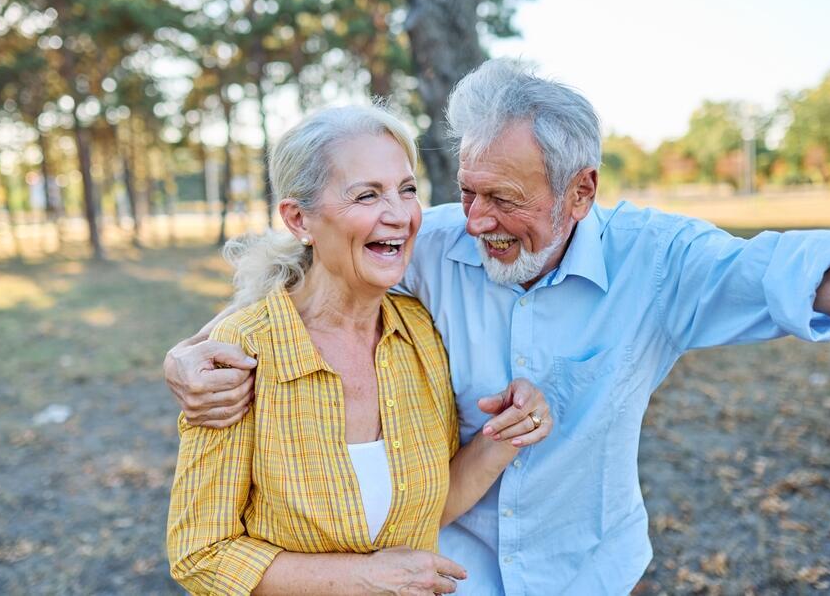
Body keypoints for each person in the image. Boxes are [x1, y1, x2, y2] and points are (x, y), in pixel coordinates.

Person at [166, 59, 830, 594]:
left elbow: (805, 271)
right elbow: (296, 293)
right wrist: (189, 355)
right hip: (455, 575)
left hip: (586, 571)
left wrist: (509, 434)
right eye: (466, 192)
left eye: (504, 199)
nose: (474, 221)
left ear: (581, 191)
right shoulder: (430, 245)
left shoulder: (658, 263)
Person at [166, 105, 552, 596]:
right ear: (298, 218)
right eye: (366, 195)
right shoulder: (241, 354)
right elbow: (200, 553)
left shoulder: (419, 333)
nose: (398, 215)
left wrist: (508, 434)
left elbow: (428, 506)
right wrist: (364, 579)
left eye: (406, 190)